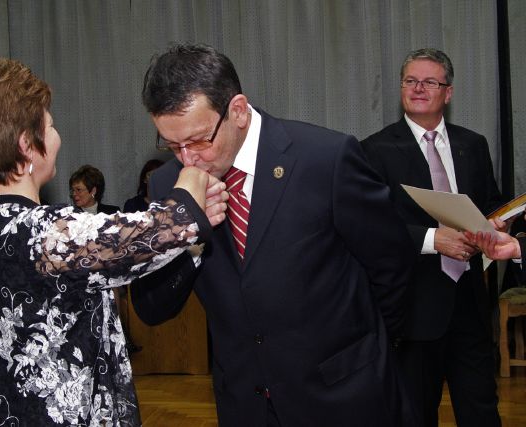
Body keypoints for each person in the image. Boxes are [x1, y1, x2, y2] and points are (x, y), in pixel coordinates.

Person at [131, 43, 417, 426]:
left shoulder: (325, 158)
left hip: (343, 396)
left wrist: (369, 350)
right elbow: (151, 307)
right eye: (172, 145)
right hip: (246, 405)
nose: (187, 158)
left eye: (198, 141)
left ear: (238, 111)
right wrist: (188, 234)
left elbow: (392, 265)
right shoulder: (170, 185)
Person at [0, 55, 227, 426]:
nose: (57, 136)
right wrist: (188, 185)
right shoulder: (43, 232)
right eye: (50, 125)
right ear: (27, 145)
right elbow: (154, 231)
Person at [361, 48, 503, 427]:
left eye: (429, 82)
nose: (418, 88)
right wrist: (431, 239)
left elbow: (490, 202)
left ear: (448, 92)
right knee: (415, 415)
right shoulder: (374, 150)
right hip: (412, 309)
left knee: (481, 411)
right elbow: (369, 227)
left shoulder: (473, 144)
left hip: (470, 303)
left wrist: (497, 224)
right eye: (410, 81)